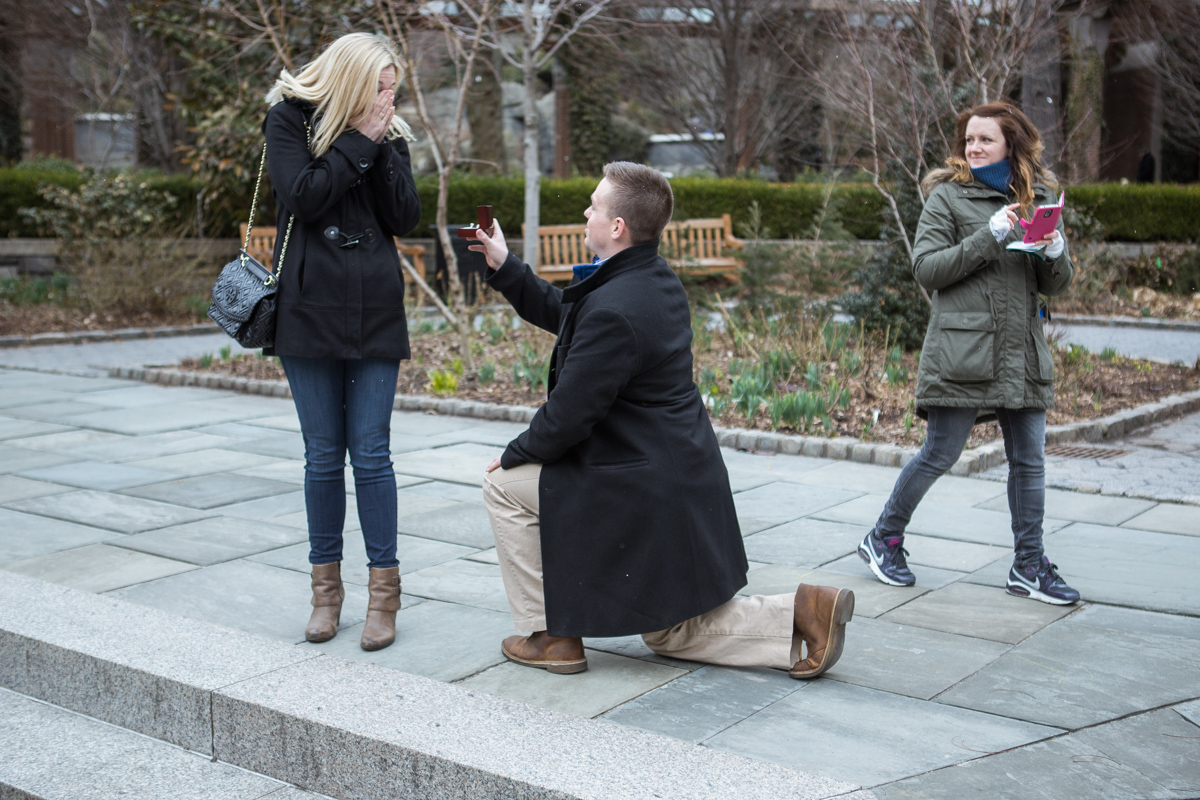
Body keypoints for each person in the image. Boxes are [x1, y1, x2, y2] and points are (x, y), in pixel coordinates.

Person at [468, 162, 854, 678]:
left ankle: (550, 635)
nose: (586, 212)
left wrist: (513, 455)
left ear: (617, 227)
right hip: (676, 472)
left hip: (639, 485)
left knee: (504, 486)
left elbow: (565, 420)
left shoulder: (615, 307)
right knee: (671, 633)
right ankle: (805, 611)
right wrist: (506, 265)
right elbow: (568, 314)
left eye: (594, 206)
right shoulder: (650, 280)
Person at [857, 102, 1080, 605]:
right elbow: (928, 270)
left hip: (1021, 349)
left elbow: (1057, 284)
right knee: (941, 451)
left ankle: (1028, 566)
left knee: (1029, 461)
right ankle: (883, 538)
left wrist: (1054, 252)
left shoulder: (1039, 198)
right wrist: (991, 235)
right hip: (963, 349)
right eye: (969, 140)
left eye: (985, 140)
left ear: (1012, 145)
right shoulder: (948, 198)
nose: (973, 148)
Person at [262, 33, 421, 650]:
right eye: (379, 88)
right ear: (351, 81)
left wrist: (379, 145)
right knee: (323, 454)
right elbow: (301, 195)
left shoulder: (392, 134)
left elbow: (403, 217)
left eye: (392, 89)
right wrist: (357, 138)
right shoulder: (289, 119)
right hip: (308, 307)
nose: (387, 99)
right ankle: (325, 594)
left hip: (375, 307)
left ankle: (385, 596)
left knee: (372, 453)